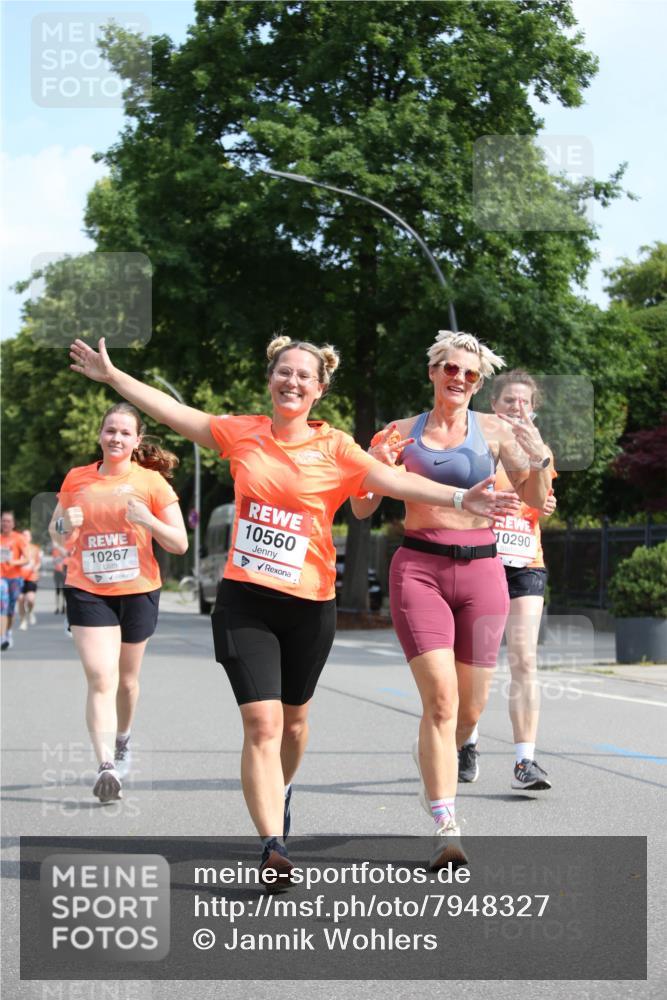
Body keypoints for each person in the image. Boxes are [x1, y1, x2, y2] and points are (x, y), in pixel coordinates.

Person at [68, 334, 521, 879]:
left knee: (295, 722)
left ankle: (281, 790)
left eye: (305, 376)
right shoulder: (242, 434)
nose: (293, 382)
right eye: (284, 372)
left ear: (320, 389)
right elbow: (175, 412)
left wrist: (458, 498)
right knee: (261, 724)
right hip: (246, 600)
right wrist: (114, 377)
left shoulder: (336, 447)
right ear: (271, 379)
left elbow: (394, 479)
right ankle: (273, 846)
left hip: (310, 603)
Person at [351, 332, 552, 869]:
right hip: (419, 568)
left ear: (477, 383)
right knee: (439, 701)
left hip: (484, 572)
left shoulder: (493, 430)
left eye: (470, 374)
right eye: (451, 369)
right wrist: (375, 466)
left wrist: (538, 458)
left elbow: (536, 502)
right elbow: (363, 507)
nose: (459, 379)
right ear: (434, 372)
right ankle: (447, 822)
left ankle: (451, 750)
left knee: (469, 708)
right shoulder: (398, 432)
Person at [49, 403, 188, 803]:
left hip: (139, 589)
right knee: (101, 678)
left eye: (125, 433)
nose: (116, 438)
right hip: (87, 588)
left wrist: (148, 520)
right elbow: (57, 533)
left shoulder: (152, 483)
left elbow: (179, 543)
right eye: (110, 430)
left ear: (137, 440)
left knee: (126, 681)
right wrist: (64, 524)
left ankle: (122, 739)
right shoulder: (77, 479)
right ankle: (106, 765)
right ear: (100, 435)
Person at [460, 370, 556, 792]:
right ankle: (468, 742)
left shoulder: (541, 450)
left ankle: (525, 761)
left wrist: (544, 482)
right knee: (475, 663)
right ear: (493, 406)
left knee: (523, 658)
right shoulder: (476, 447)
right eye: (509, 401)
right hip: (480, 560)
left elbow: (544, 499)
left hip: (524, 563)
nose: (517, 408)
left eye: (524, 402)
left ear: (533, 409)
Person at [1, 511, 29, 651]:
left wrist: (14, 562)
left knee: (10, 610)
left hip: (14, 578)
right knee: (2, 606)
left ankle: (7, 632)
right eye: (3, 521)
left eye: (8, 521)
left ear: (13, 523)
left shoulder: (18, 538)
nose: (5, 523)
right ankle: (2, 637)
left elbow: (27, 558)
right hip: (1, 578)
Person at [18, 529, 42, 630]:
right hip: (19, 577)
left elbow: (39, 562)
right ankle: (23, 621)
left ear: (30, 538)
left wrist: (35, 568)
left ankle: (31, 611)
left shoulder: (35, 549)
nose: (25, 537)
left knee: (30, 599)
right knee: (20, 599)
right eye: (23, 535)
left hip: (32, 577)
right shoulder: (18, 549)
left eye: (27, 535)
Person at [52, 543, 68, 615]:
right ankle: (57, 607)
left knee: (64, 591)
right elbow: (54, 561)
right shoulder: (55, 550)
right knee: (57, 590)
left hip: (64, 572)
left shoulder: (65, 548)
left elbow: (66, 555)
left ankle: (63, 606)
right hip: (57, 571)